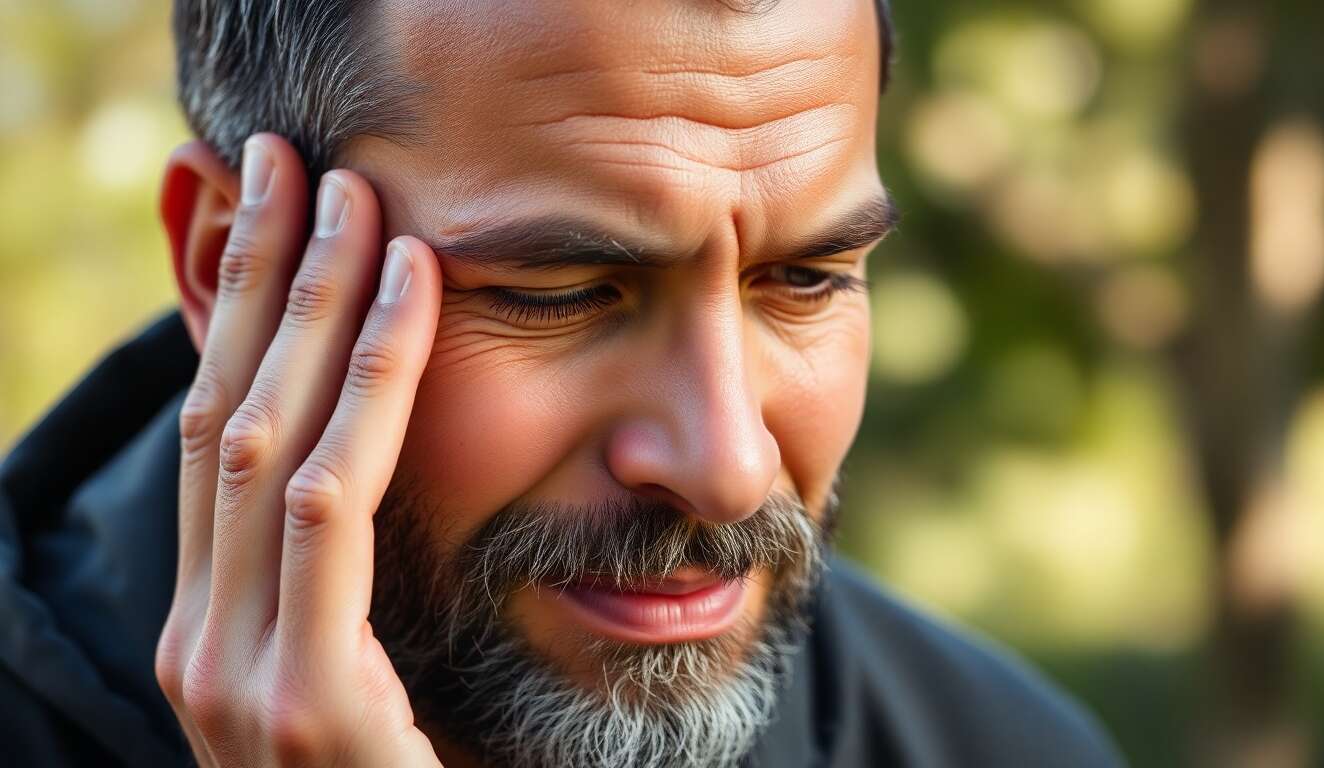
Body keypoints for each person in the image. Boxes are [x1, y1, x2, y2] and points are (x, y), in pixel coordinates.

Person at [0, 1, 1126, 766]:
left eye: (808, 279)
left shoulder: (1002, 745)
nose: (727, 466)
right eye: (561, 292)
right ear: (229, 261)